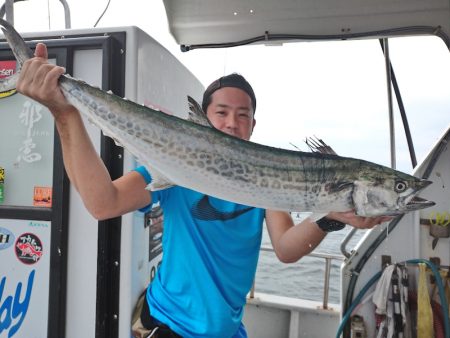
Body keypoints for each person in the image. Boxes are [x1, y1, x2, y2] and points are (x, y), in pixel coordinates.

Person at [17, 43, 390, 338]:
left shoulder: (266, 179)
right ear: (204, 119)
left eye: (243, 115)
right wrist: (65, 114)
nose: (232, 122)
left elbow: (287, 248)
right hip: (170, 327)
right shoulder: (179, 166)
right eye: (222, 113)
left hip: (228, 330)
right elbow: (103, 203)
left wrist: (332, 217)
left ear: (254, 125)